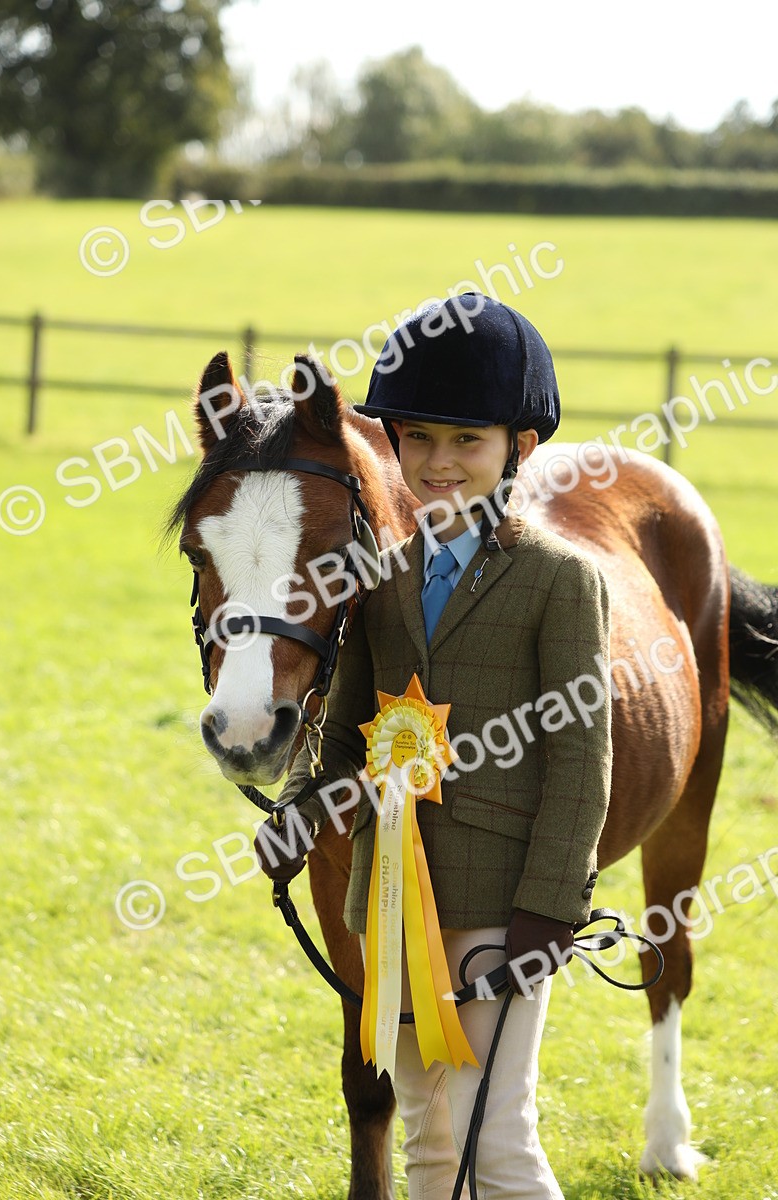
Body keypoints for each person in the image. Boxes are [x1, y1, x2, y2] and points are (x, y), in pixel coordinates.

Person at [256, 292, 612, 1199]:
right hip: (392, 902)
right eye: (419, 439)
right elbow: (345, 742)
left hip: (503, 906)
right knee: (427, 1140)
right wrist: (300, 812)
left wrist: (550, 908)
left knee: (497, 1143)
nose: (439, 463)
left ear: (518, 447)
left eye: (467, 441)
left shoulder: (561, 581)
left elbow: (581, 761)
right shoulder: (378, 577)